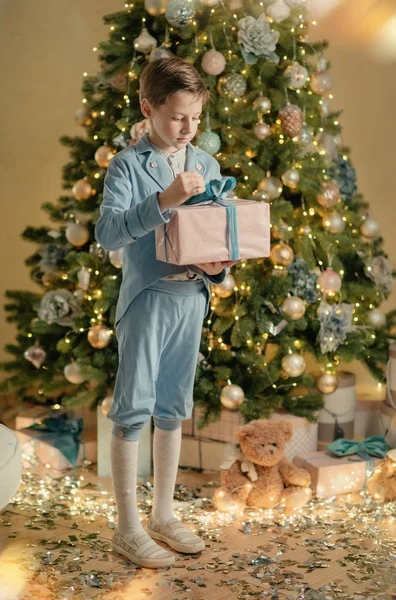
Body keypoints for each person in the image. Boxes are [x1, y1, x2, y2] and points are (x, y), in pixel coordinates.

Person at [95, 56, 238, 569]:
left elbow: (214, 235)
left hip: (190, 298)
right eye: (178, 117)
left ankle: (161, 514)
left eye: (195, 117)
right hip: (147, 299)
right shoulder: (127, 166)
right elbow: (108, 234)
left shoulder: (207, 163)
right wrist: (164, 199)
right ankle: (127, 527)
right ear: (147, 107)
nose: (188, 128)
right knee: (133, 406)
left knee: (174, 406)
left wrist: (219, 266)